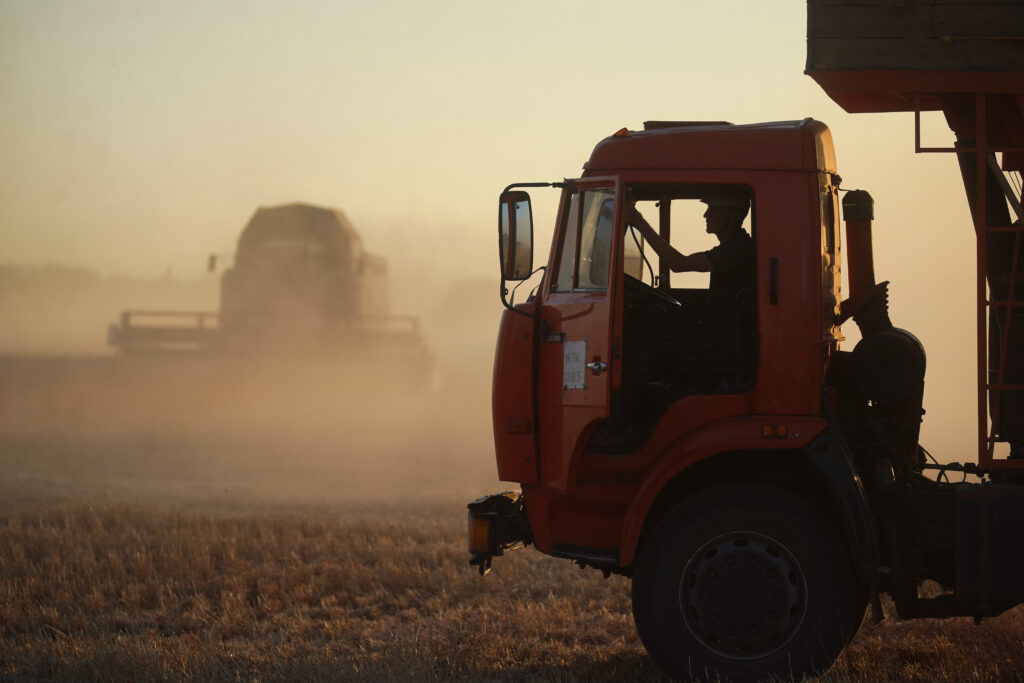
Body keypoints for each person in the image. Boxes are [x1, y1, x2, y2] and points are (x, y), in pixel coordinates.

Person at [626, 189, 754, 349]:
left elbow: (679, 264)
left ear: (733, 216)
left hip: (721, 341)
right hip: (716, 333)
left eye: (713, 209)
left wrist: (640, 223)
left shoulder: (736, 250)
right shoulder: (735, 246)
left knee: (655, 350)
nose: (705, 215)